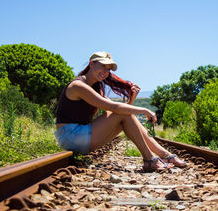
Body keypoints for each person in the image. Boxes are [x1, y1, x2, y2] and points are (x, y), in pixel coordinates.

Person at [55, 51, 187, 172]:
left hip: (81, 136)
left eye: (108, 69)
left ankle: (165, 156)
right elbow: (115, 109)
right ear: (91, 64)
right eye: (102, 66)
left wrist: (132, 99)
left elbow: (121, 113)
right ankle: (150, 159)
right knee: (121, 112)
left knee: (124, 114)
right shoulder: (78, 86)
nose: (105, 71)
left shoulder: (95, 88)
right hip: (70, 136)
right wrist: (144, 110)